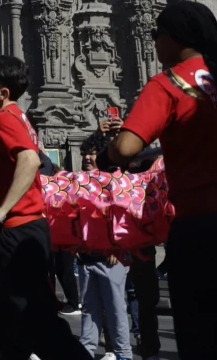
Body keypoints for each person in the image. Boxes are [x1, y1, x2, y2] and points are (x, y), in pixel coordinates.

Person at [107, 1, 217, 359]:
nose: (154, 42)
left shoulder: (167, 83)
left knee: (204, 340)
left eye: (156, 34)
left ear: (175, 37)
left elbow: (125, 148)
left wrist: (112, 145)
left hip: (202, 226)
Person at [0, 55, 91, 360]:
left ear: (3, 93)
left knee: (37, 321)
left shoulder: (4, 118)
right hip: (23, 229)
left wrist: (1, 211)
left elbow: (29, 160)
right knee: (8, 320)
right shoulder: (17, 116)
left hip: (18, 230)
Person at [74, 132, 134, 360]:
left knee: (116, 311)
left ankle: (123, 355)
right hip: (86, 257)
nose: (87, 158)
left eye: (92, 153)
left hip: (111, 259)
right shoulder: (79, 183)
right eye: (84, 154)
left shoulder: (115, 182)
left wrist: (117, 248)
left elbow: (125, 216)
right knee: (89, 311)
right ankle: (86, 353)